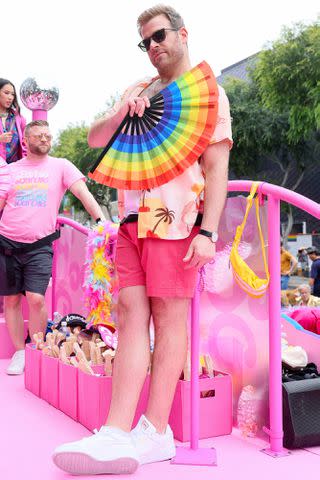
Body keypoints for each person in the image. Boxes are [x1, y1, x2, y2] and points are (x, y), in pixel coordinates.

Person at [53, 4, 232, 476]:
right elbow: (95, 138)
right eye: (145, 42)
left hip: (175, 216)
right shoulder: (139, 88)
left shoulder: (208, 94)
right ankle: (116, 429)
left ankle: (156, 431)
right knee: (131, 313)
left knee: (169, 316)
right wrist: (119, 114)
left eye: (158, 36)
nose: (153, 47)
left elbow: (216, 169)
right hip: (131, 217)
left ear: (182, 33)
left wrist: (209, 232)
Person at [0, 120, 106, 375]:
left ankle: (35, 349)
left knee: (36, 299)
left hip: (39, 245)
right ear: (25, 141)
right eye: (39, 136)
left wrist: (101, 221)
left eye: (48, 135)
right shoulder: (11, 170)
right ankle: (20, 352)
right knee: (11, 300)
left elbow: (82, 193)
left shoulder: (61, 166)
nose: (45, 139)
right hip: (6, 243)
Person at [0, 78, 27, 164]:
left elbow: (25, 143)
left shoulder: (19, 118)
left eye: (12, 94)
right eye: (6, 93)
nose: (10, 97)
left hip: (15, 171)